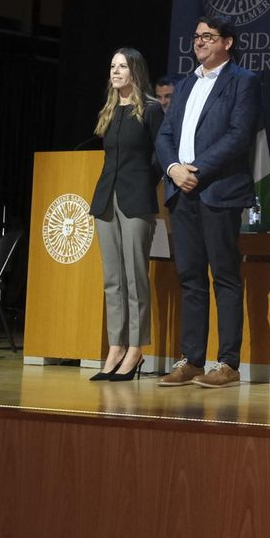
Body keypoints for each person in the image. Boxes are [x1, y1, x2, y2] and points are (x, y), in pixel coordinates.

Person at [154, 16, 262, 388]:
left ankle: (228, 362)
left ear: (227, 42)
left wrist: (195, 170)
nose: (199, 42)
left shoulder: (242, 82)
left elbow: (238, 136)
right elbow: (165, 133)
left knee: (226, 276)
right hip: (181, 192)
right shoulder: (185, 85)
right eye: (196, 36)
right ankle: (193, 360)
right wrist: (172, 169)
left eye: (208, 36)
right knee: (190, 277)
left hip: (217, 190)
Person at [87, 47, 164, 382]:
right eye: (112, 66)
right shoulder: (108, 110)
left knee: (135, 277)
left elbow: (162, 156)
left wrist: (144, 183)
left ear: (135, 70)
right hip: (106, 200)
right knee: (112, 280)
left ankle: (136, 348)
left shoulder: (150, 109)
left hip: (136, 201)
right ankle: (115, 346)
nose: (115, 71)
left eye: (122, 66)